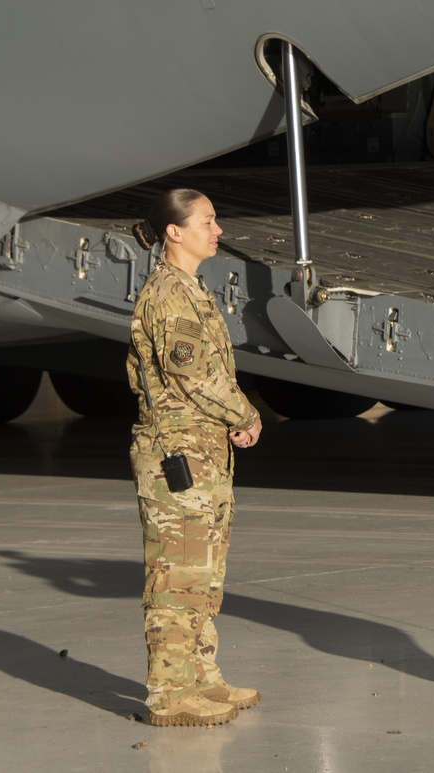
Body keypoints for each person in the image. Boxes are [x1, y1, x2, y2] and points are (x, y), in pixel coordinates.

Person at [127, 189, 263, 727]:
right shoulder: (168, 294)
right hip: (176, 457)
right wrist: (246, 415)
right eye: (207, 221)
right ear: (174, 232)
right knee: (175, 577)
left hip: (201, 454)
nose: (219, 230)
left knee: (202, 574)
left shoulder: (190, 290)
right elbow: (195, 374)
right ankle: (168, 692)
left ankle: (201, 677)